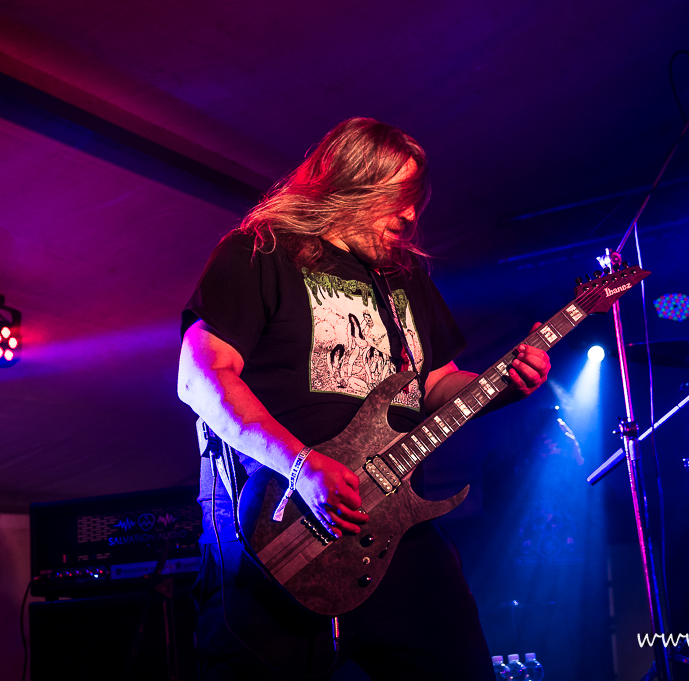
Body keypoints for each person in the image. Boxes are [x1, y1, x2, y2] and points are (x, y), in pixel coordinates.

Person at [177, 117, 550, 680]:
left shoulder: (403, 276)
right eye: (396, 198)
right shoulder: (261, 251)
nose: (410, 215)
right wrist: (302, 465)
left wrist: (504, 384)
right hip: (280, 528)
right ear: (349, 185)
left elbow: (434, 384)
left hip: (393, 531)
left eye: (414, 199)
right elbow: (200, 377)